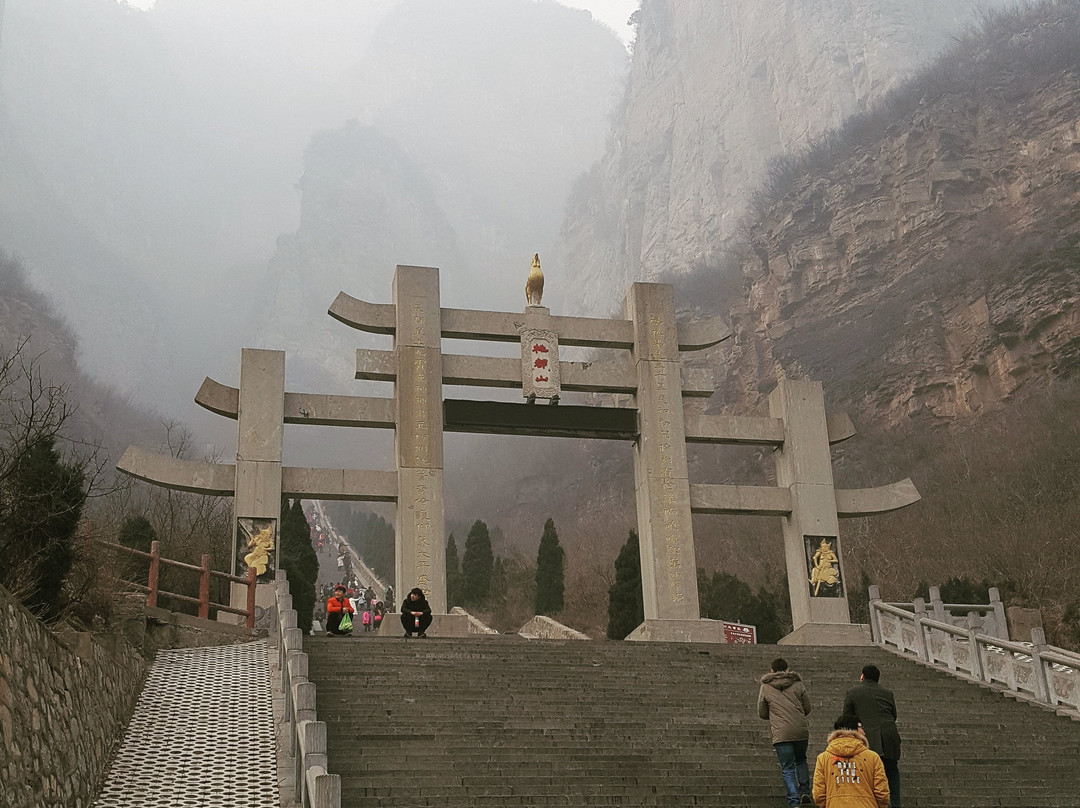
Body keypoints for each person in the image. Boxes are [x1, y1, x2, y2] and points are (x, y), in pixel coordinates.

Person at [843, 664, 901, 807]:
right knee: (891, 771)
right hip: (889, 737)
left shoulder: (852, 692)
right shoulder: (888, 693)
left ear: (862, 676)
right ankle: (895, 803)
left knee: (868, 773)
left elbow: (847, 718)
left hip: (867, 738)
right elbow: (893, 715)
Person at [757, 657, 814, 806]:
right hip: (800, 730)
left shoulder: (765, 687)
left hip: (781, 733)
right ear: (787, 670)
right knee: (801, 760)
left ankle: (794, 800)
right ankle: (805, 792)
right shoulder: (797, 684)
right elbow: (807, 708)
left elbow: (762, 713)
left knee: (787, 768)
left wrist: (775, 715)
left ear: (772, 671)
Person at [812, 714, 890, 808]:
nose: (864, 732)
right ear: (853, 729)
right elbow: (882, 792)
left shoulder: (823, 759)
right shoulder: (872, 757)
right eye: (861, 727)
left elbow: (818, 795)